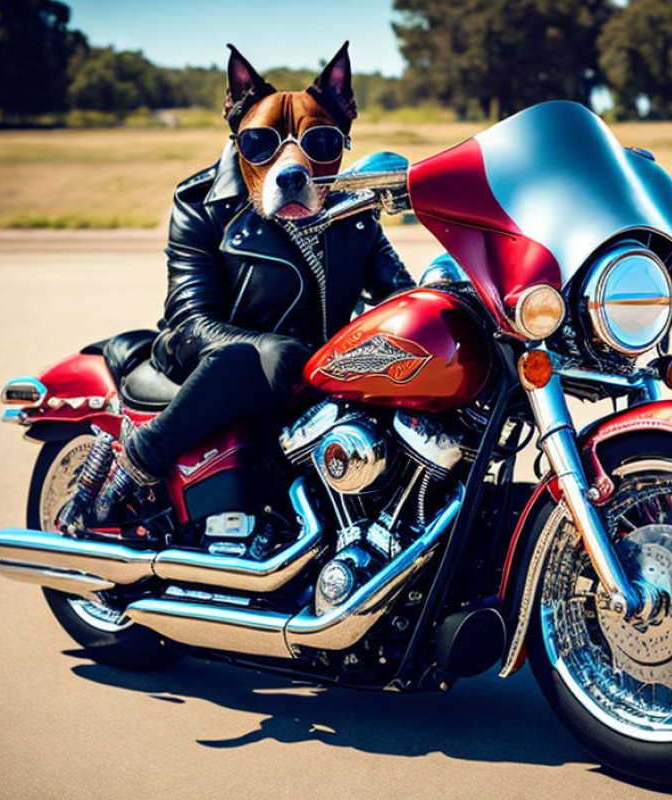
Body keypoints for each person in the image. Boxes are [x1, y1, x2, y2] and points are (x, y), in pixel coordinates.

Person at [62, 42, 414, 533]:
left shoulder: (352, 214)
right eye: (259, 145)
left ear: (344, 136)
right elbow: (188, 320)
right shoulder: (202, 204)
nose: (292, 167)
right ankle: (138, 458)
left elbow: (403, 296)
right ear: (235, 132)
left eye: (322, 145)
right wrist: (273, 348)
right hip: (206, 356)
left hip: (310, 377)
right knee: (252, 357)